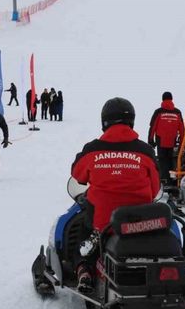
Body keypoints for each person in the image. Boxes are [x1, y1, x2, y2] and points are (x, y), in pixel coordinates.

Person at [70, 97, 160, 292]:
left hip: (103, 225)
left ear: (104, 122)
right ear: (131, 121)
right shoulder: (145, 151)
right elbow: (154, 189)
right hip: (142, 224)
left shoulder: (92, 149)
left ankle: (84, 269)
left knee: (84, 233)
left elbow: (77, 173)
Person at [148, 91, 185, 183]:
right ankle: (173, 180)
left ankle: (163, 180)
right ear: (172, 99)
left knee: (162, 160)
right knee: (172, 160)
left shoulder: (158, 112)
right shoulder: (177, 112)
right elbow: (182, 129)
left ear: (162, 99)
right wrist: (182, 143)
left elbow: (152, 127)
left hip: (161, 141)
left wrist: (150, 140)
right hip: (173, 141)